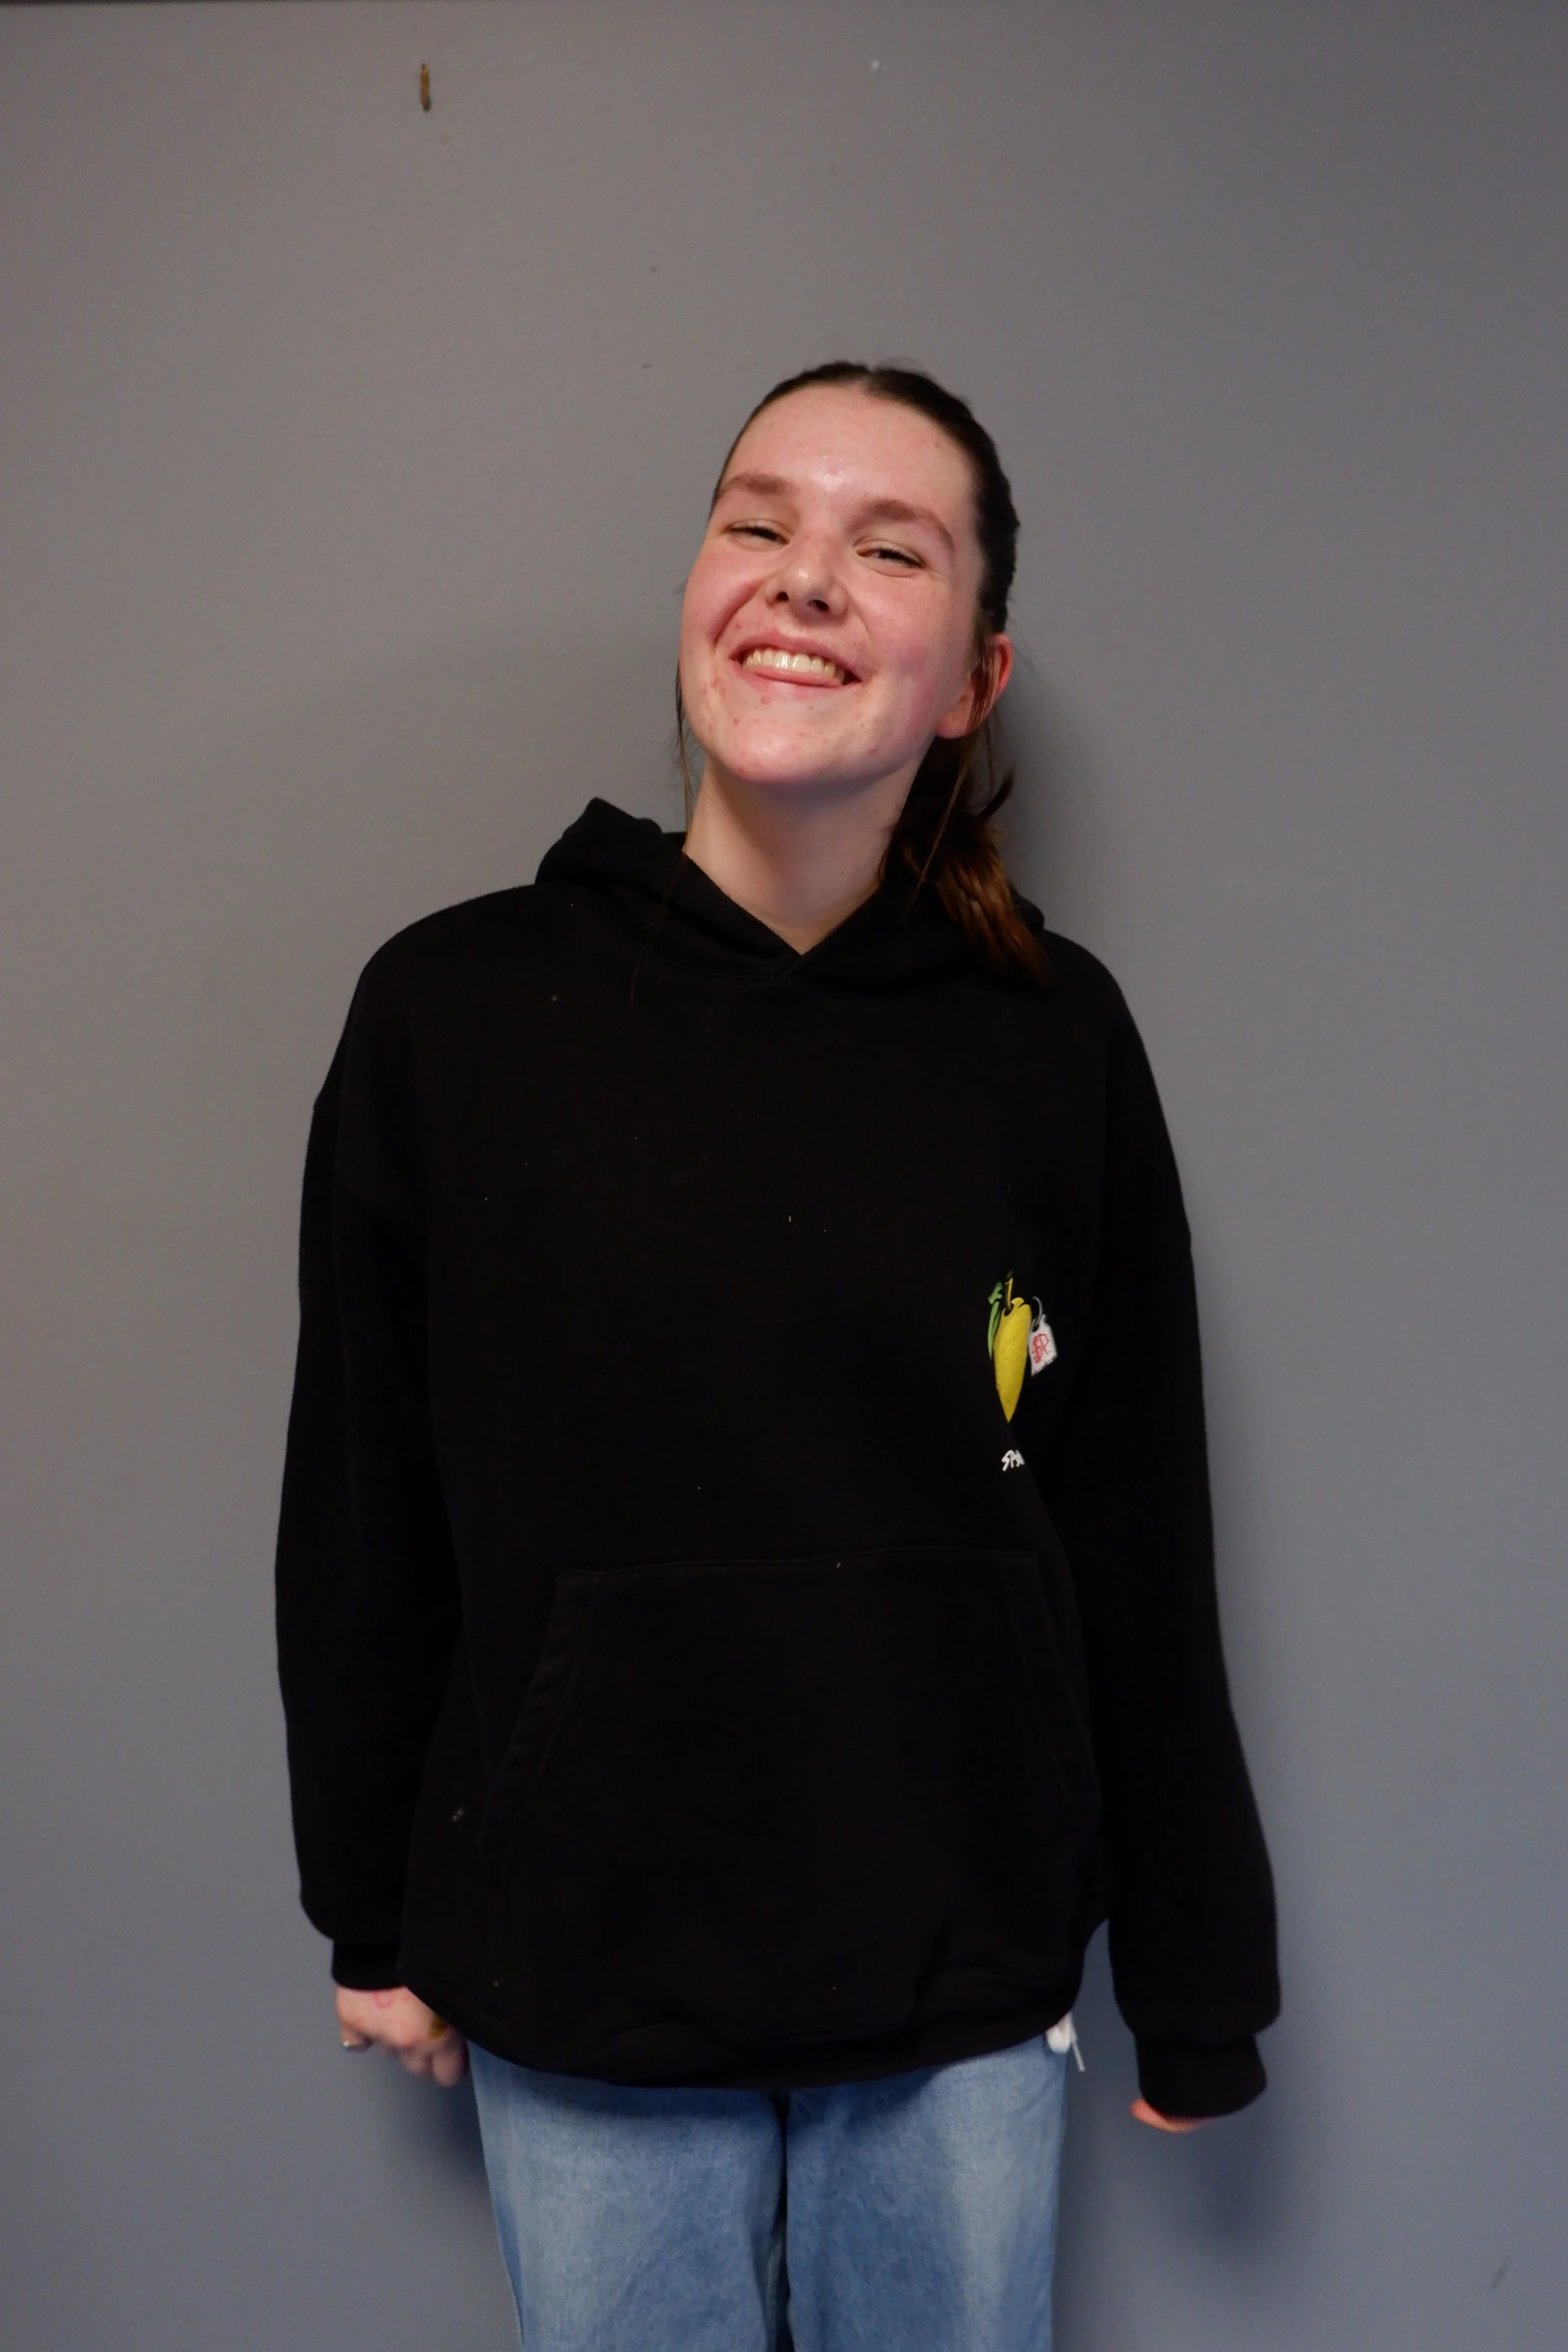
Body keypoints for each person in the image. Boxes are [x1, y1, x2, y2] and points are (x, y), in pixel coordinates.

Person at [275, 361, 1279, 2351]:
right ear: (697, 590)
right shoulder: (454, 1014)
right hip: (586, 1966)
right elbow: (365, 1507)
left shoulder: (1049, 1038)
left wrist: (1197, 1974)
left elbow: (1135, 1528)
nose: (803, 575)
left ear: (973, 676)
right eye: (758, 521)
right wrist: (368, 1906)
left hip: (960, 1974)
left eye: (886, 549)